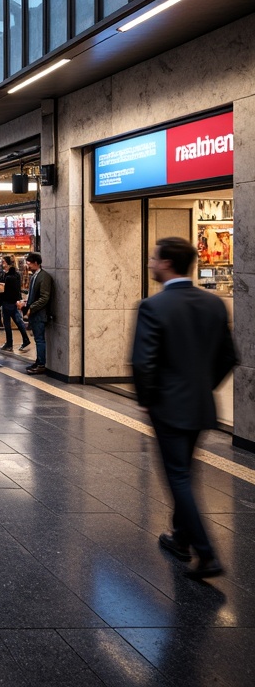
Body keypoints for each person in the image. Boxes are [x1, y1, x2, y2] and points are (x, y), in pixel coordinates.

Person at [131, 236, 237, 580]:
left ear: (166, 264)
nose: (150, 263)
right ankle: (179, 537)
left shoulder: (153, 306)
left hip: (168, 406)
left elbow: (143, 362)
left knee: (178, 476)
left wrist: (148, 400)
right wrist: (202, 387)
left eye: (153, 258)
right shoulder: (214, 304)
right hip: (201, 405)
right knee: (185, 472)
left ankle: (206, 554)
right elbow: (228, 357)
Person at [18, 251, 53, 375]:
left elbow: (44, 297)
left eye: (30, 264)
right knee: (38, 339)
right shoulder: (35, 276)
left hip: (40, 314)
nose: (29, 266)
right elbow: (33, 294)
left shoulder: (44, 277)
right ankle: (38, 361)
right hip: (34, 313)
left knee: (39, 340)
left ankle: (41, 364)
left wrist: (31, 308)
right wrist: (26, 302)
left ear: (37, 263)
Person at [0, 254, 31, 352]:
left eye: (3, 262)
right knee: (18, 321)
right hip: (15, 302)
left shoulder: (7, 277)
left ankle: (9, 344)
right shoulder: (16, 274)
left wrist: (0, 298)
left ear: (8, 263)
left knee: (7, 324)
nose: (1, 263)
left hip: (8, 302)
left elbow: (5, 291)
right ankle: (25, 339)